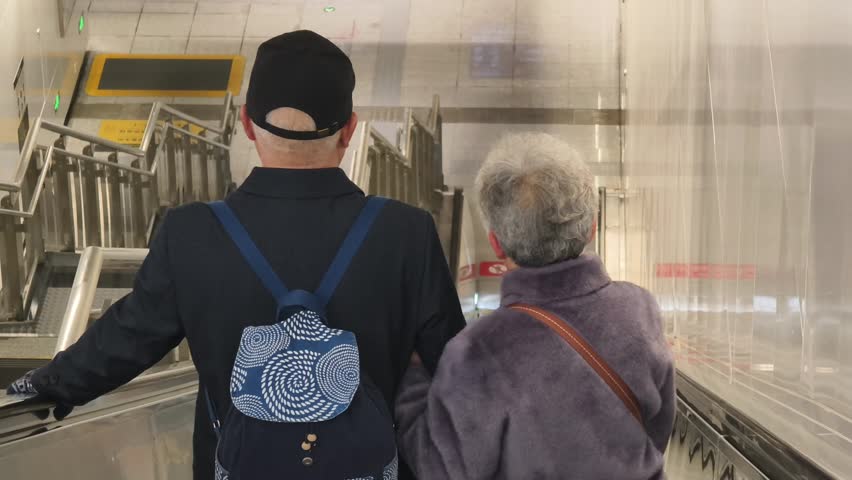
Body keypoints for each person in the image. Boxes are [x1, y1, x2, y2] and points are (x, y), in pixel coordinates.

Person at [8, 31, 465, 480]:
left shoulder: (192, 233)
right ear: (349, 130)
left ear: (246, 124)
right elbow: (453, 368)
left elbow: (126, 340)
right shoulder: (407, 232)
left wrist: (45, 384)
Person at [395, 132, 675, 479]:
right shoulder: (639, 309)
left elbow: (440, 468)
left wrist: (413, 380)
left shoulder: (476, 351)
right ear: (592, 227)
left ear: (496, 244)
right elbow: (658, 428)